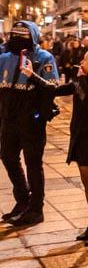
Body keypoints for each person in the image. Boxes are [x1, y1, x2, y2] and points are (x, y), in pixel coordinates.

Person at [23, 46, 88, 246]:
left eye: (86, 60)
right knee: (87, 181)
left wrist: (80, 80)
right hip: (80, 135)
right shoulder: (81, 80)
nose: (81, 63)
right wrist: (32, 75)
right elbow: (54, 90)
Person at [0, 21, 60, 226]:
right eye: (15, 35)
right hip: (8, 119)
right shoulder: (4, 58)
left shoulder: (44, 58)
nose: (18, 40)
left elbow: (52, 87)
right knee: (8, 157)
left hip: (31, 120)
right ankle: (23, 200)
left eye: (23, 36)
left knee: (33, 163)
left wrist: (40, 114)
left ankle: (36, 208)